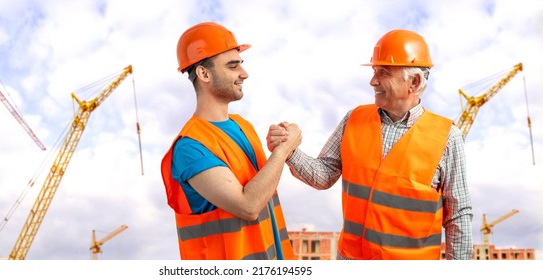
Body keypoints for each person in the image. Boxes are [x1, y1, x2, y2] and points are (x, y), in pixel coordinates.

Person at [267, 29, 473, 260]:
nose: (372, 81)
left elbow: (458, 215)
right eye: (375, 71)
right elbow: (323, 176)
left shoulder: (446, 137)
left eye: (383, 73)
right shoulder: (354, 119)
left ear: (413, 82)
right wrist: (289, 149)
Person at [160, 22, 301, 260]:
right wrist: (283, 151)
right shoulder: (190, 147)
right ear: (204, 73)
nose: (244, 74)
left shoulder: (243, 126)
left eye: (241, 65)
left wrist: (280, 143)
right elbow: (248, 205)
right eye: (232, 66)